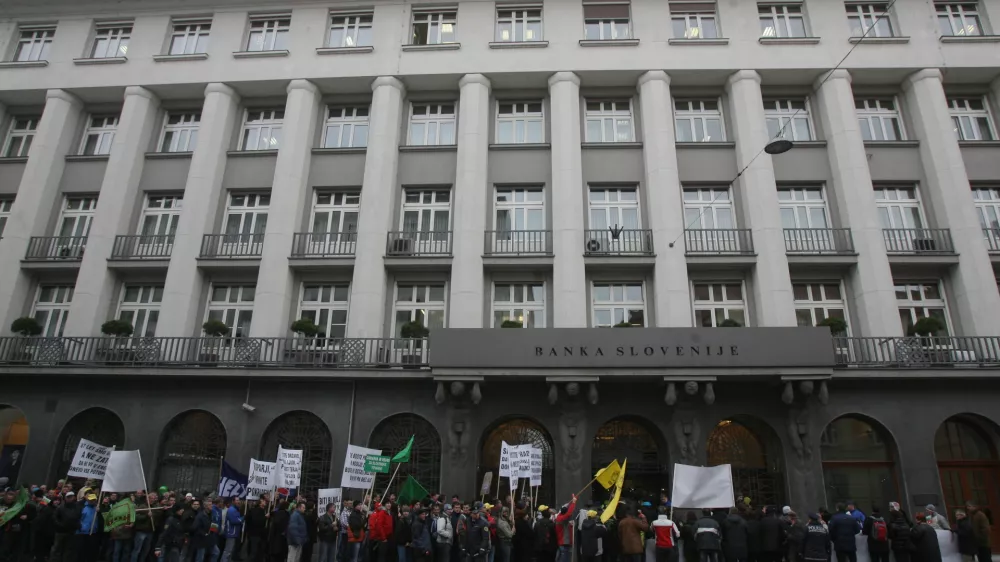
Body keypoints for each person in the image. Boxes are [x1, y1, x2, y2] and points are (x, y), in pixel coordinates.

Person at [51, 491, 80, 562]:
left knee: (68, 551)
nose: (70, 499)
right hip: (60, 532)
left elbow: (78, 517)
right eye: (68, 497)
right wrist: (60, 526)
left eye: (71, 497)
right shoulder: (60, 508)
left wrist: (77, 526)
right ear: (65, 498)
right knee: (57, 549)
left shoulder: (76, 508)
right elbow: (55, 518)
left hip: (71, 533)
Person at [72, 492, 101, 562]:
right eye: (91, 500)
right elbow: (76, 518)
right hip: (82, 533)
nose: (92, 501)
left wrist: (99, 512)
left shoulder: (97, 509)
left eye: (94, 500)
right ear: (87, 500)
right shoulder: (82, 507)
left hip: (92, 533)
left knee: (90, 552)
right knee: (81, 552)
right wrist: (80, 527)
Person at [554, 497, 578, 562]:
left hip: (564, 542)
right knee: (564, 559)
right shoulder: (561, 518)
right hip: (564, 542)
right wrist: (573, 503)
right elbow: (569, 513)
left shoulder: (559, 517)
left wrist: (569, 504)